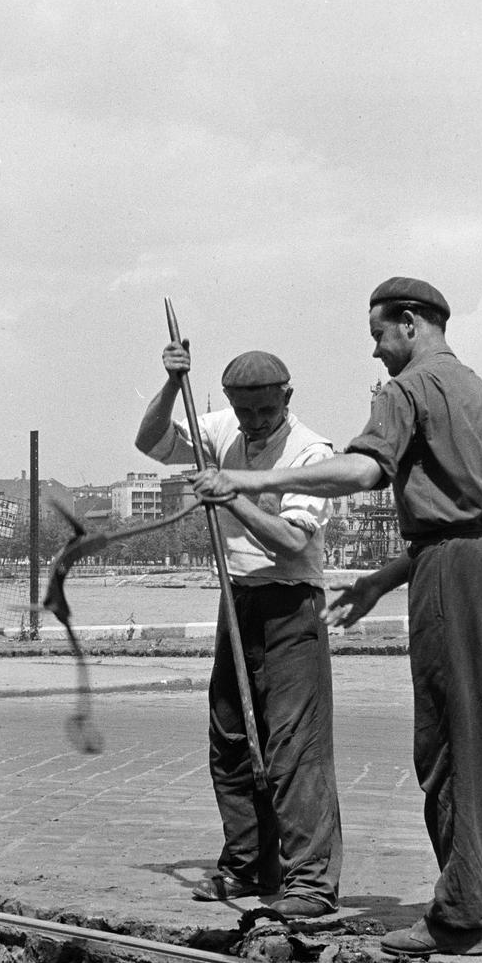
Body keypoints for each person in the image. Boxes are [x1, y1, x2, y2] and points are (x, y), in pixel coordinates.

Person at [190, 276, 482, 957]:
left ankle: (461, 917)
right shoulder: (476, 389)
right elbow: (476, 513)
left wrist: (249, 481)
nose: (376, 351)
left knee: (455, 740)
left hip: (454, 573)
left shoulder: (406, 390)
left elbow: (360, 473)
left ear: (409, 322)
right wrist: (384, 578)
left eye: (379, 334)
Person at [135, 343, 342, 919]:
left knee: (294, 747)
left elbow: (293, 541)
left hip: (291, 603)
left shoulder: (309, 450)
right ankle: (248, 866)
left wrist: (232, 493)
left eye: (265, 411)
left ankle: (311, 882)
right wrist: (171, 383)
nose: (253, 423)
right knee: (230, 738)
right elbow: (150, 442)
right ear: (230, 401)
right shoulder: (222, 427)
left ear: (287, 398)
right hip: (237, 598)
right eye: (244, 411)